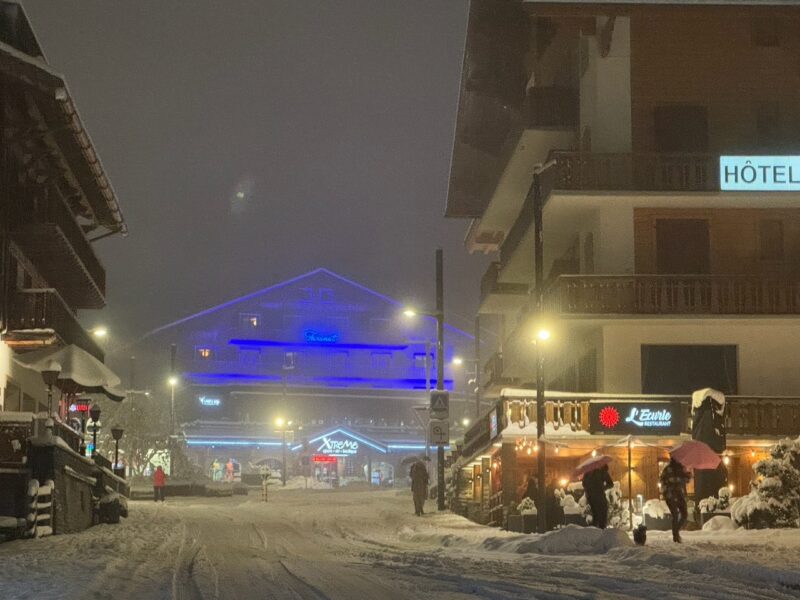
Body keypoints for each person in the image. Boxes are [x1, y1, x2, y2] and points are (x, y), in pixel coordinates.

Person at [660, 457, 691, 543]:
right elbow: (671, 480)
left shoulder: (681, 469)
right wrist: (682, 478)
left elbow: (683, 481)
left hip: (679, 493)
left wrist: (688, 476)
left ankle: (676, 532)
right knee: (675, 514)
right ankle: (675, 536)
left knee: (684, 514)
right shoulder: (668, 469)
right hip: (670, 494)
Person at [583, 465, 613, 529]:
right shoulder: (602, 471)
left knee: (596, 516)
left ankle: (596, 532)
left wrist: (589, 491)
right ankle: (601, 532)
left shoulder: (587, 473)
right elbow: (610, 484)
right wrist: (602, 488)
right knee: (602, 516)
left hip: (591, 498)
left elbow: (584, 484)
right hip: (599, 497)